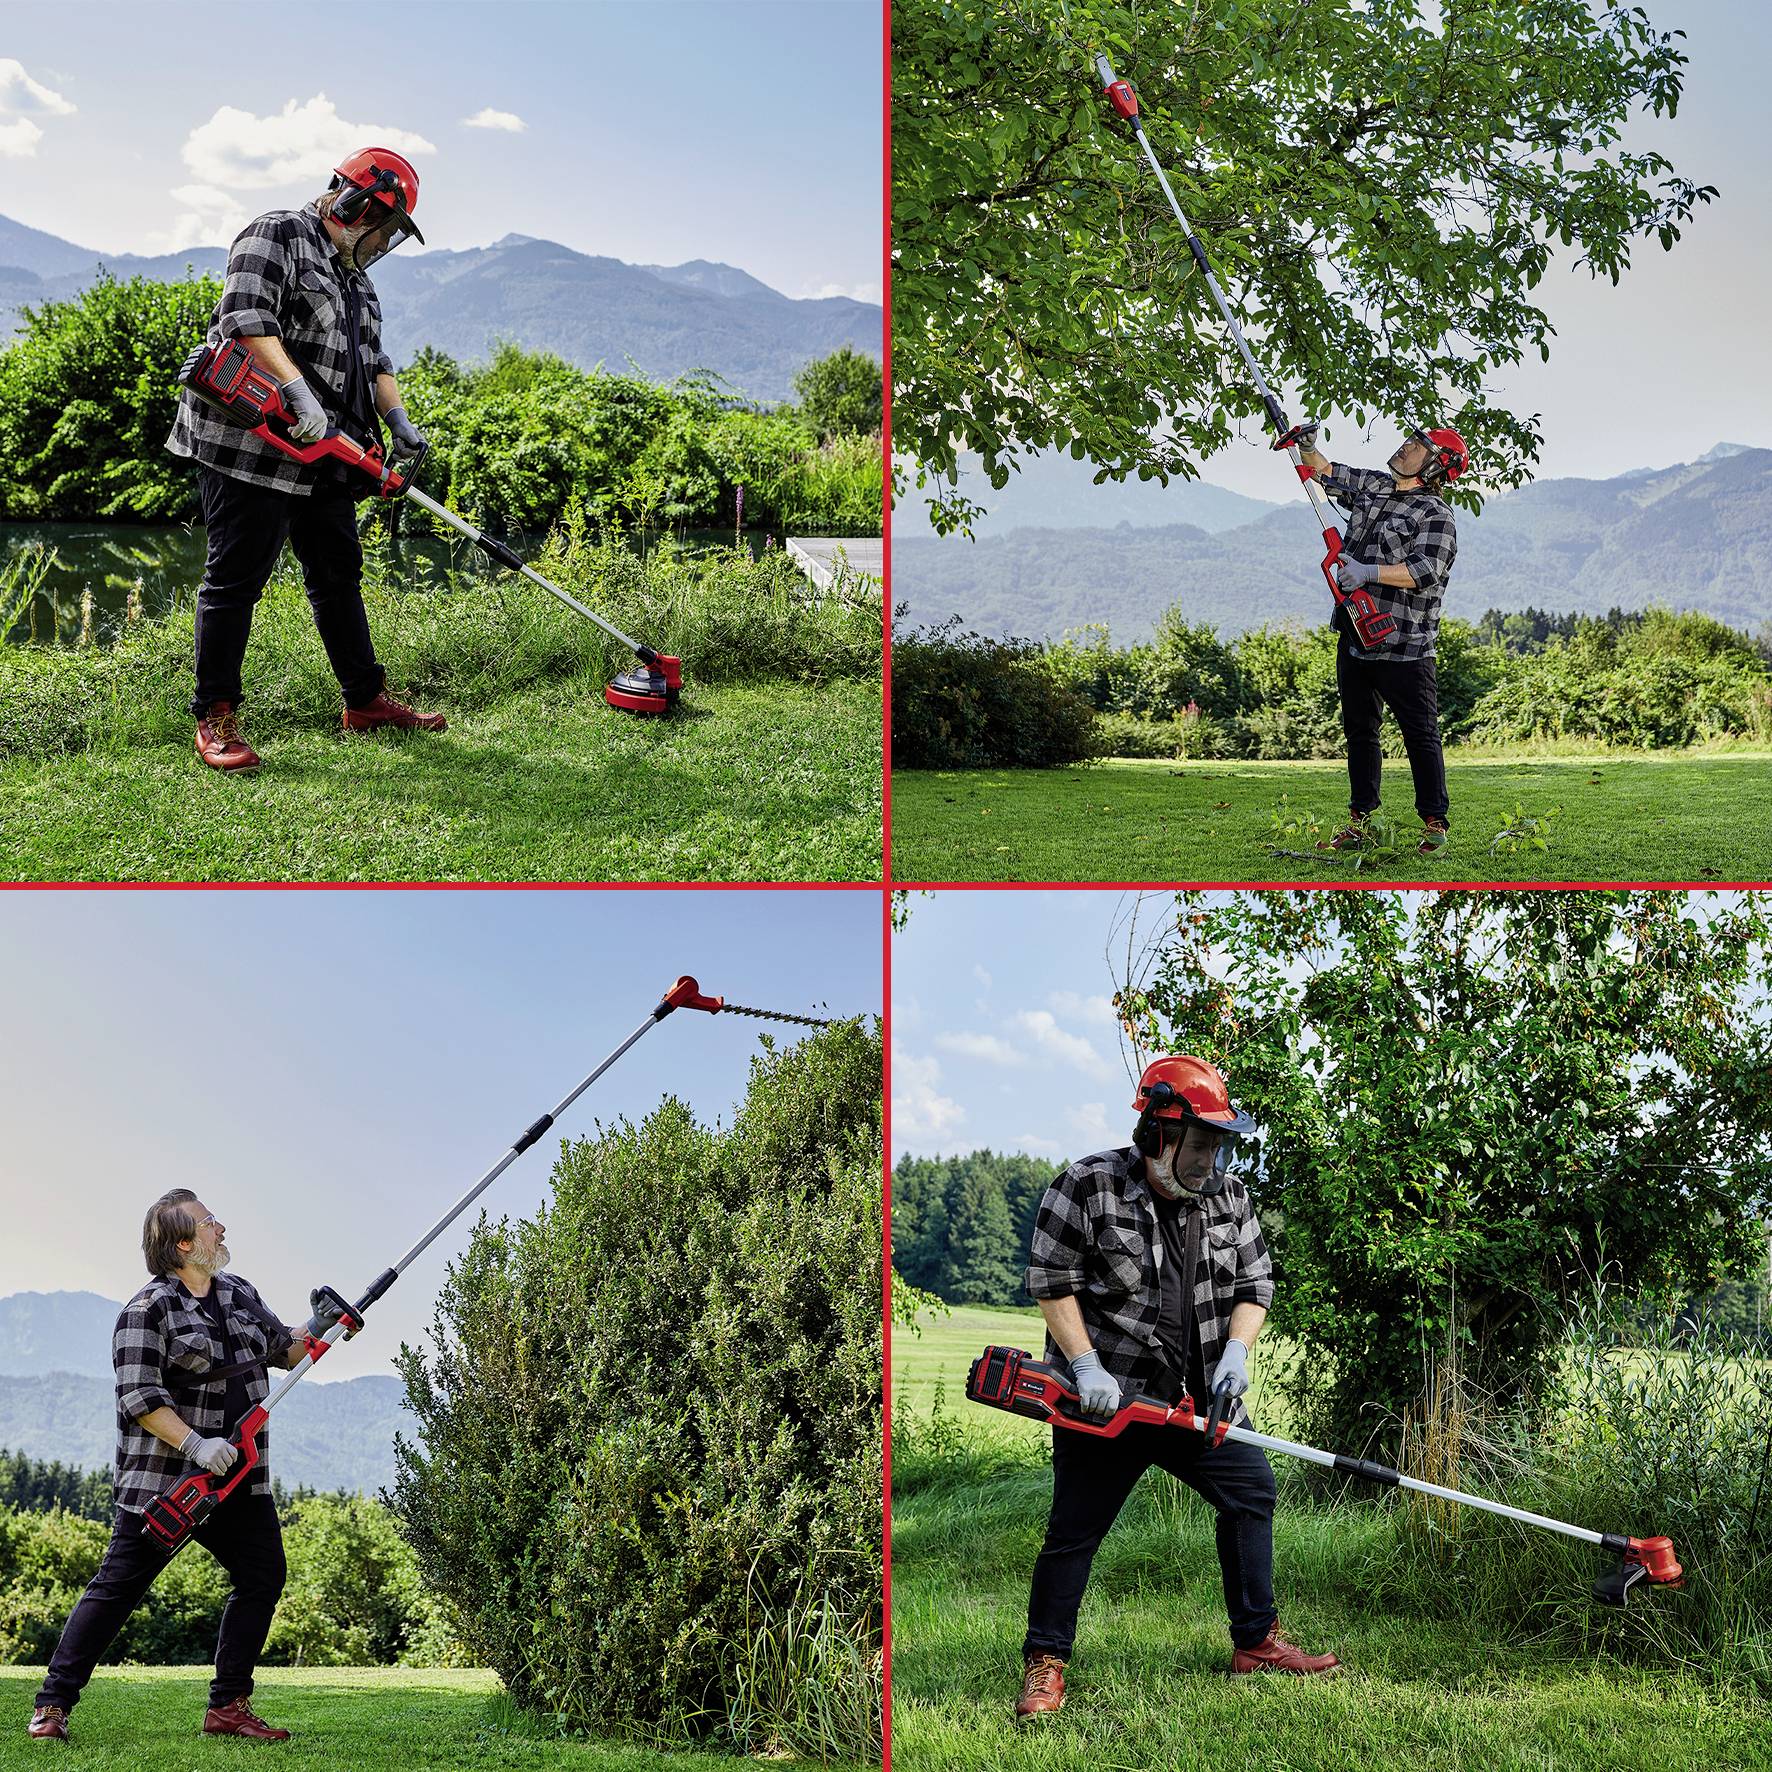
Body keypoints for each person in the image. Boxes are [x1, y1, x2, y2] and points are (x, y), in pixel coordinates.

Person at [1013, 1056, 1340, 1721]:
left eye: (1219, 1142)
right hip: (1109, 1401)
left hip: (1200, 1404)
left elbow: (1255, 1288)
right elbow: (1052, 1281)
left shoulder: (1230, 1196)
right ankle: (1045, 1665)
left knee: (1252, 1493)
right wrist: (1083, 1365)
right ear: (1160, 1132)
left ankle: (1255, 1643)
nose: (1210, 1157)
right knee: (1074, 1532)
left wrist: (1237, 1354)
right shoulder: (1087, 1185)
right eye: (1201, 1141)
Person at [167, 148, 445, 774]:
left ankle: (366, 701)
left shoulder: (357, 279)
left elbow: (374, 360)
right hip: (252, 448)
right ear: (355, 204)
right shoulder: (276, 235)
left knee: (338, 573)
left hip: (327, 454)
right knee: (235, 579)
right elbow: (245, 318)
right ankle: (215, 717)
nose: (385, 241)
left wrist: (397, 418)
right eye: (387, 225)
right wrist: (293, 388)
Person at [28, 1192, 307, 1743]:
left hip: (241, 1477)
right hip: (166, 1485)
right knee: (116, 1591)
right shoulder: (146, 1310)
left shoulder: (241, 1294)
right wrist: (197, 1446)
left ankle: (228, 1706)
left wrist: (324, 1326)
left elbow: (284, 1350)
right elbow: (139, 1397)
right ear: (183, 1245)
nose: (221, 1228)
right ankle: (53, 1706)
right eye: (209, 1224)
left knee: (262, 1576)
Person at [1295, 424, 1466, 855]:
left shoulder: (1436, 516)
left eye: (1418, 446)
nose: (1406, 445)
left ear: (1434, 466)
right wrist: (1308, 449)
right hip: (1355, 632)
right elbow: (1327, 472)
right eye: (1411, 439)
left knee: (1420, 734)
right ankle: (1361, 820)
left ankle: (1434, 822)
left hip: (1404, 644)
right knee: (1360, 732)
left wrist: (1368, 573)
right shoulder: (1376, 486)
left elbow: (1425, 571)